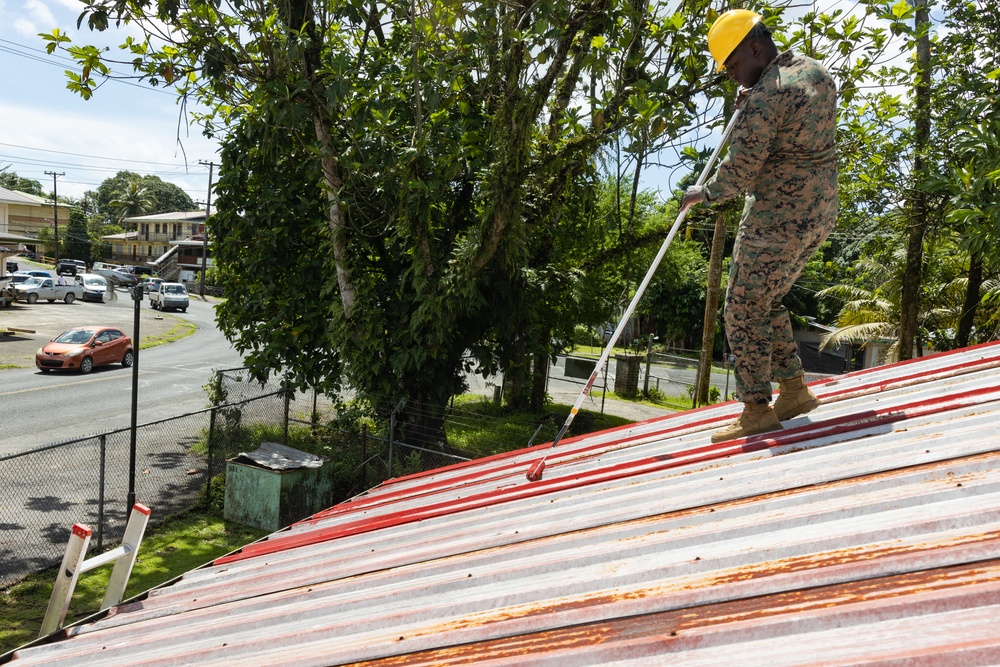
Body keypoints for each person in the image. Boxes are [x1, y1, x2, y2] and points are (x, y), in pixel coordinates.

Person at [680, 10, 838, 443]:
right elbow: (788, 124)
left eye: (732, 66)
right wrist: (749, 101)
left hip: (777, 217)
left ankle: (756, 410)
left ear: (754, 48)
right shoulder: (812, 70)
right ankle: (794, 391)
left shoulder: (765, 97)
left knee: (742, 306)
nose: (731, 75)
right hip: (820, 212)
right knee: (765, 301)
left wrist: (702, 194)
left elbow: (741, 172)